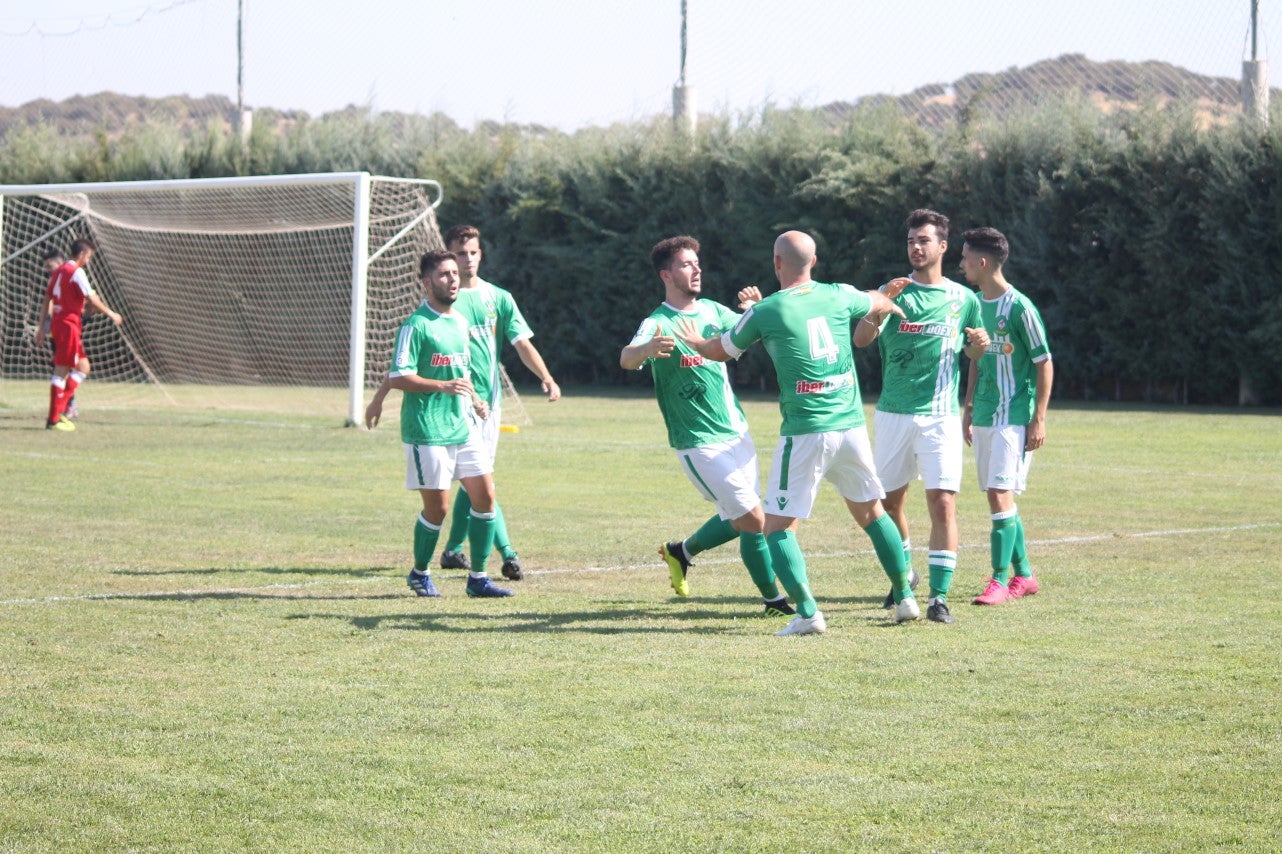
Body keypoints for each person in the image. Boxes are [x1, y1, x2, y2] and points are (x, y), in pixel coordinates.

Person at [674, 230, 919, 636]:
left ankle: (807, 614)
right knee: (872, 513)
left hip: (806, 431)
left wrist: (697, 341)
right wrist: (886, 299)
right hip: (850, 426)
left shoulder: (766, 310)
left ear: (776, 263)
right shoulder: (839, 293)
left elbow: (719, 350)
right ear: (815, 261)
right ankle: (906, 597)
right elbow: (875, 300)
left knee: (776, 528)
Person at [371, 226, 561, 583]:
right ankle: (445, 562)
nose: (464, 264)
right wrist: (380, 398)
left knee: (482, 489)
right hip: (434, 420)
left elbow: (511, 348)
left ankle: (476, 568)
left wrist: (542, 378)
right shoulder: (427, 317)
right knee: (447, 502)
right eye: (457, 258)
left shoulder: (487, 304)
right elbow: (402, 370)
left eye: (471, 254)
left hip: (478, 409)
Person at [620, 234, 793, 617]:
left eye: (697, 263)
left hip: (737, 432)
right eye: (686, 264)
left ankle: (681, 552)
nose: (696, 269)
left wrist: (756, 310)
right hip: (697, 442)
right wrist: (646, 350)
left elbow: (757, 333)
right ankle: (774, 601)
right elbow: (626, 358)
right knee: (753, 518)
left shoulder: (714, 311)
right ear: (666, 275)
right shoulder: (657, 322)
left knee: (742, 518)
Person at [853, 209, 989, 624]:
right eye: (911, 240)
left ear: (942, 247)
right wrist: (880, 306)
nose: (915, 247)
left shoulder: (964, 300)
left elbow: (973, 352)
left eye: (924, 240)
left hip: (940, 417)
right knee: (889, 505)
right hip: (893, 415)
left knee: (942, 502)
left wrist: (979, 347)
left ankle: (938, 598)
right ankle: (905, 575)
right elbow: (861, 340)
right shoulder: (892, 291)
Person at [375, 249, 513, 599]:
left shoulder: (460, 322)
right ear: (427, 283)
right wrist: (441, 386)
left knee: (485, 497)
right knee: (438, 509)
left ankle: (478, 578)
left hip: (462, 425)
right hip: (427, 429)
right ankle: (420, 573)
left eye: (454, 273)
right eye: (444, 275)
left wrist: (476, 398)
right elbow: (399, 375)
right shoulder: (416, 325)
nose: (452, 279)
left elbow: (461, 372)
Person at [958, 227, 1053, 604]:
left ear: (982, 262)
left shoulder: (1019, 308)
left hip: (1013, 416)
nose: (961, 264)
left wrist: (1039, 417)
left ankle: (998, 580)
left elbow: (1044, 362)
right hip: (984, 414)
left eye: (965, 258)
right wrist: (968, 408)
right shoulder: (973, 305)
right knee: (1001, 498)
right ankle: (1025, 575)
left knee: (1000, 494)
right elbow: (975, 360)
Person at [33, 239, 123, 432]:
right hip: (68, 325)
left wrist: (41, 328)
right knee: (61, 371)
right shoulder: (76, 272)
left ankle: (60, 410)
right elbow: (92, 297)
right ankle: (53, 420)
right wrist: (111, 313)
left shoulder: (59, 271)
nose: (88, 261)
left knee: (83, 367)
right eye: (88, 256)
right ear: (81, 254)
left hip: (61, 324)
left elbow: (47, 299)